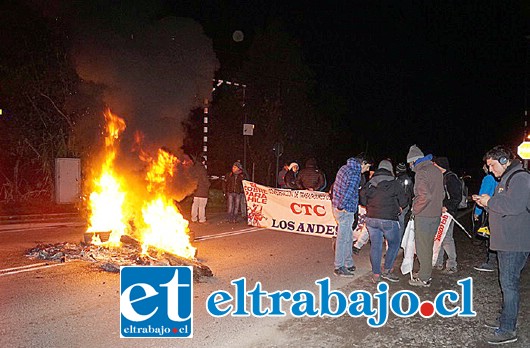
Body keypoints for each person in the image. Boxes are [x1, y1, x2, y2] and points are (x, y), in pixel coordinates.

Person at [474, 145, 530, 345]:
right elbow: (505, 204)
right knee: (506, 283)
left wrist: (489, 202)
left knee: (509, 284)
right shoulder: (508, 178)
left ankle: (508, 329)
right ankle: (504, 319)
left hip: (514, 242)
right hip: (507, 240)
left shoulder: (520, 178)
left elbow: (514, 206)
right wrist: (486, 203)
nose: (490, 170)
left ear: (504, 161)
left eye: (492, 165)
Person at [359, 159, 407, 283]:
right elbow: (404, 202)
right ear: (390, 170)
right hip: (389, 220)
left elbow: (363, 200)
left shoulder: (370, 183)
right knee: (394, 244)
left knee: (375, 246)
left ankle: (376, 274)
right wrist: (398, 206)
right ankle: (387, 270)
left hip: (372, 219)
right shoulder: (395, 183)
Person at [406, 144, 444, 287]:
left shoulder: (421, 172)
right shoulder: (436, 170)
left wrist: (415, 209)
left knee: (422, 247)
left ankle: (424, 278)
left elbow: (425, 195)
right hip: (435, 214)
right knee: (428, 245)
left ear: (413, 161)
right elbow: (442, 193)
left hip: (424, 215)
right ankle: (425, 272)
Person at [332, 155, 371, 277]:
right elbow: (348, 192)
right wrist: (341, 206)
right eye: (368, 166)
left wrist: (338, 205)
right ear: (363, 163)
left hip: (338, 206)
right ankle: (339, 266)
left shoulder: (344, 168)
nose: (368, 169)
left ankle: (348, 263)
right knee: (343, 238)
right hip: (345, 209)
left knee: (348, 237)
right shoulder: (355, 174)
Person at [432, 156, 460, 274]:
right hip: (439, 212)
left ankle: (452, 264)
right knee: (438, 237)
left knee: (447, 238)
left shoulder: (451, 178)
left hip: (448, 213)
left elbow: (456, 197)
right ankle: (438, 262)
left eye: (435, 164)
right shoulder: (440, 177)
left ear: (440, 165)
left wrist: (447, 207)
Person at [473, 163, 498, 272]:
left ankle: (490, 262)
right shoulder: (500, 178)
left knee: (490, 236)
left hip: (489, 208)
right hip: (499, 208)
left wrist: (477, 212)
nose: (483, 167)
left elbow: (482, 195)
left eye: (486, 165)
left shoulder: (488, 178)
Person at [395, 162, 414, 240]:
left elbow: (404, 193)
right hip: (405, 204)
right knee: (400, 222)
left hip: (401, 205)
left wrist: (401, 205)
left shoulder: (398, 180)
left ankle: (398, 241)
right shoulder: (408, 179)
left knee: (400, 222)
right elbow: (412, 193)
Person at [191, 156, 210, 224]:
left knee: (195, 205)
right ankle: (202, 219)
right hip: (202, 190)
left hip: (195, 190)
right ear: (203, 161)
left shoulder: (194, 168)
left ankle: (194, 218)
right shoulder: (202, 168)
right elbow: (205, 179)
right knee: (202, 206)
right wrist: (208, 184)